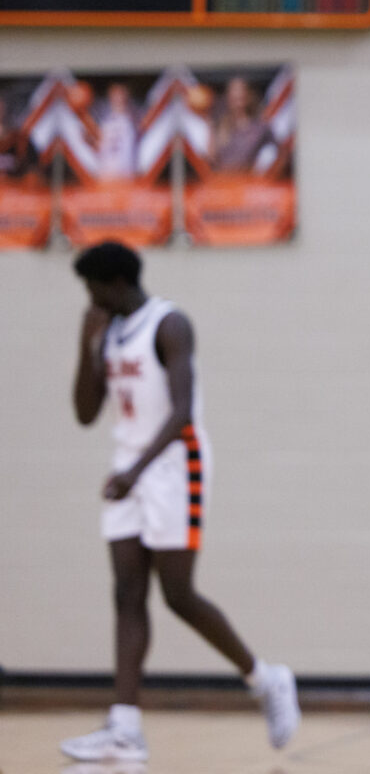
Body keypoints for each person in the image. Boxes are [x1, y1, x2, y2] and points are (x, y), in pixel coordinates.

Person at [64, 241, 300, 763]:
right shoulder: (110, 332)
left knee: (176, 594)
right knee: (126, 592)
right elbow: (84, 413)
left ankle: (266, 680)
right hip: (128, 468)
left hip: (174, 466)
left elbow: (182, 415)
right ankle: (124, 726)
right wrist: (87, 347)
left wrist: (134, 473)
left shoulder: (169, 324)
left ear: (116, 284)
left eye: (93, 287)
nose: (90, 298)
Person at [210, 76, 276, 173]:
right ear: (228, 96)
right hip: (222, 181)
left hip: (250, 181)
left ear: (249, 95)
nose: (238, 94)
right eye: (234, 91)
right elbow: (211, 158)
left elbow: (276, 154)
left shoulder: (261, 127)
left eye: (241, 90)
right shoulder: (219, 125)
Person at [96, 83, 138, 181]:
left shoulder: (132, 121)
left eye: (120, 95)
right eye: (115, 96)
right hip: (105, 172)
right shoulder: (105, 121)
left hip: (126, 173)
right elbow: (102, 146)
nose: (118, 98)